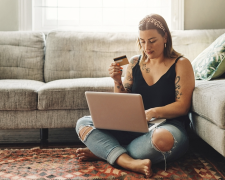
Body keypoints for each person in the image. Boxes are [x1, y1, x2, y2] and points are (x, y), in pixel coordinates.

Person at [75, 14, 195, 178]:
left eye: (152, 41)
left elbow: (183, 105)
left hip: (166, 127)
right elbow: (122, 102)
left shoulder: (181, 63)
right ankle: (127, 161)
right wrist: (117, 81)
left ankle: (106, 151)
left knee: (162, 139)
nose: (147, 47)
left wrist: (152, 113)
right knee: (83, 123)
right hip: (133, 127)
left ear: (165, 36)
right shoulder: (134, 63)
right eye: (142, 41)